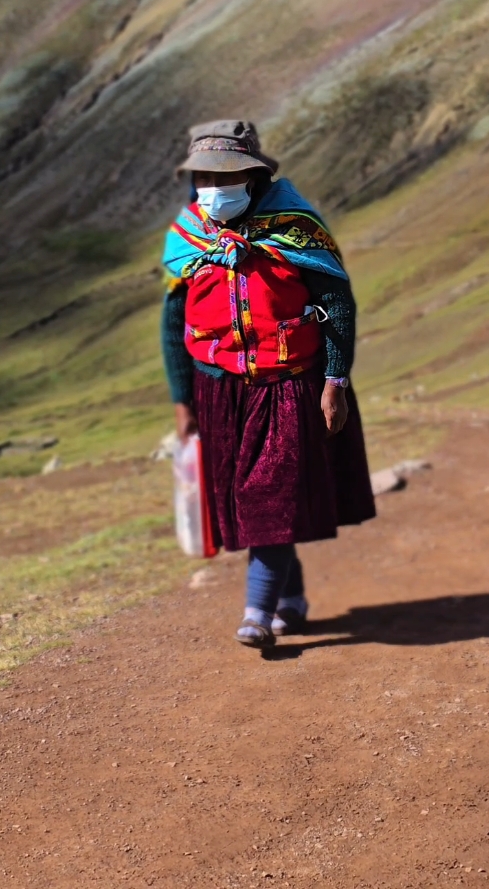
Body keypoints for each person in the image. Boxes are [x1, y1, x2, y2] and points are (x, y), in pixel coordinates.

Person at [161, 119, 375, 650]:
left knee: (268, 495)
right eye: (204, 176)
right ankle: (290, 598)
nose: (213, 186)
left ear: (254, 177)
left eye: (226, 175)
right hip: (219, 388)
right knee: (252, 500)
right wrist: (181, 399)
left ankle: (257, 612)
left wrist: (335, 381)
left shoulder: (297, 229)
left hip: (288, 385)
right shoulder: (187, 237)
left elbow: (337, 308)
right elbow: (173, 323)